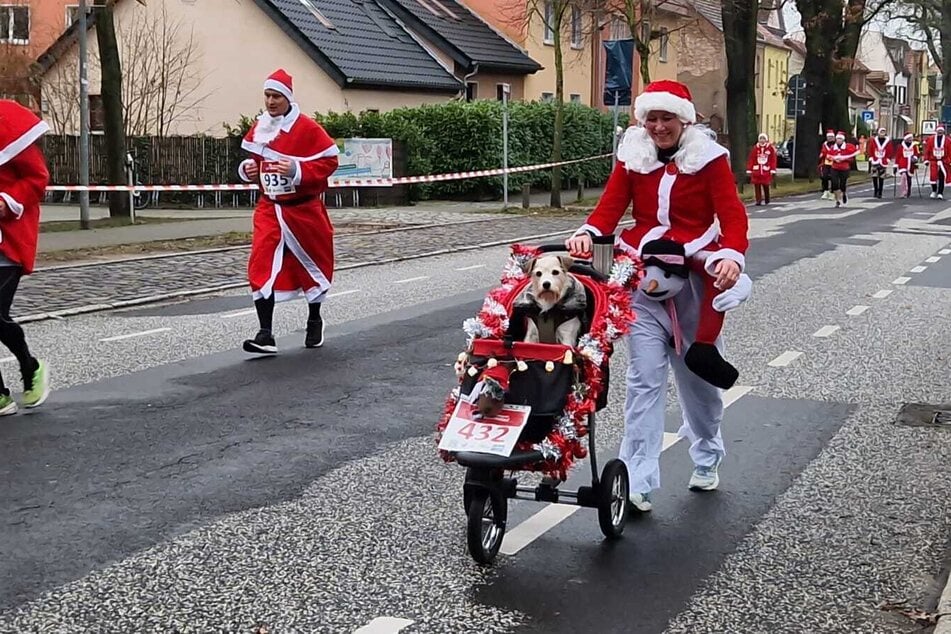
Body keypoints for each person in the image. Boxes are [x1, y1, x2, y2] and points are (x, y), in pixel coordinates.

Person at [565, 80, 752, 511]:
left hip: (694, 281)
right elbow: (610, 207)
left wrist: (732, 258)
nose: (658, 127)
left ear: (685, 119)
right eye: (652, 118)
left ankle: (707, 453)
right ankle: (638, 476)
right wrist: (587, 234)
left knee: (698, 380)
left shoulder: (710, 160)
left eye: (667, 118)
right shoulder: (634, 155)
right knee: (644, 380)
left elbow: (733, 217)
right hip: (643, 277)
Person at [238, 69, 340, 354]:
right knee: (260, 263)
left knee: (313, 263)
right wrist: (248, 170)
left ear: (288, 99)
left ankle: (314, 317)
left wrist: (296, 170)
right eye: (268, 96)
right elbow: (255, 161)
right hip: (270, 208)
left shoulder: (307, 128)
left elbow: (329, 162)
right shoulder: (261, 126)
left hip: (303, 210)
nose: (271, 102)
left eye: (276, 96)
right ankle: (265, 333)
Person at [0, 100, 51, 414]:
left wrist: (7, 202)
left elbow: (37, 178)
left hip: (7, 244)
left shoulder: (8, 122)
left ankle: (30, 367)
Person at [745, 132, 777, 205]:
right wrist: (749, 169)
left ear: (766, 140)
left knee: (765, 185)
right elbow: (751, 159)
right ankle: (758, 200)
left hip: (766, 170)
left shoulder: (770, 148)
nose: (762, 140)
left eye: (763, 139)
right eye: (761, 139)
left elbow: (773, 159)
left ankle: (767, 199)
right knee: (757, 185)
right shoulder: (755, 148)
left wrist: (772, 169)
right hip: (757, 170)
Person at [828, 131, 858, 208]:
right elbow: (828, 157)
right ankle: (837, 200)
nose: (838, 140)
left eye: (840, 139)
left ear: (843, 140)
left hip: (844, 168)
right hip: (834, 168)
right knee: (834, 184)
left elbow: (851, 158)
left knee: (842, 184)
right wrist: (834, 159)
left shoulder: (848, 147)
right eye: (837, 139)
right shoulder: (832, 148)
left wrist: (843, 159)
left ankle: (844, 193)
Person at [924, 126, 950, 200]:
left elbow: (950, 151)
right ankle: (934, 190)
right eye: (939, 131)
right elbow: (927, 150)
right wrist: (926, 159)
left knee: (941, 177)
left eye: (941, 131)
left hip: (943, 161)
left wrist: (949, 160)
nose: (940, 132)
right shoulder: (931, 140)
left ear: (943, 132)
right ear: (936, 131)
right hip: (934, 161)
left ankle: (940, 193)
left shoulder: (947, 140)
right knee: (933, 177)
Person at [868, 127, 893, 199]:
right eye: (881, 132)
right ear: (878, 132)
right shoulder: (874, 141)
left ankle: (880, 192)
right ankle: (876, 190)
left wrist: (888, 158)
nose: (882, 133)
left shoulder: (887, 141)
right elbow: (871, 149)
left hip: (883, 160)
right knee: (874, 176)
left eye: (883, 132)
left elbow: (890, 150)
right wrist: (871, 157)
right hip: (875, 160)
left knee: (881, 177)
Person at [894, 133, 919, 198]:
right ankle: (903, 192)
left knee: (909, 178)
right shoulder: (900, 146)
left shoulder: (914, 146)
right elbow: (898, 156)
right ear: (906, 139)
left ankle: (908, 191)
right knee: (903, 176)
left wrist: (915, 158)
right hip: (902, 163)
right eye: (909, 138)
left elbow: (916, 154)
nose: (910, 139)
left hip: (911, 164)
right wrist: (895, 165)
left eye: (911, 138)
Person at [818, 130, 837, 200]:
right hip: (826, 162)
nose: (830, 138)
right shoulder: (824, 144)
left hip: (834, 163)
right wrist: (822, 154)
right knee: (824, 177)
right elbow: (823, 151)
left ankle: (832, 192)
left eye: (832, 137)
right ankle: (825, 191)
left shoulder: (836, 145)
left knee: (833, 178)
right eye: (829, 137)